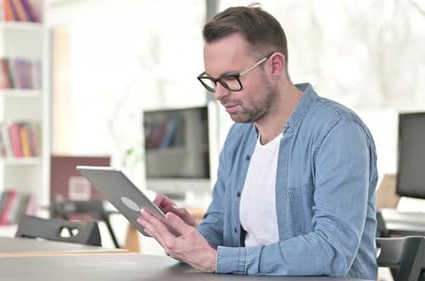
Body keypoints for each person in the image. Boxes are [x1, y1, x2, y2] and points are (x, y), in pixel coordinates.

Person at [137, 3, 378, 280]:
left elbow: (332, 250)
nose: (219, 94)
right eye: (212, 80)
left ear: (275, 65)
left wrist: (217, 259)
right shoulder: (239, 135)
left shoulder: (337, 132)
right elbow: (219, 225)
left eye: (230, 78)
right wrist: (187, 237)